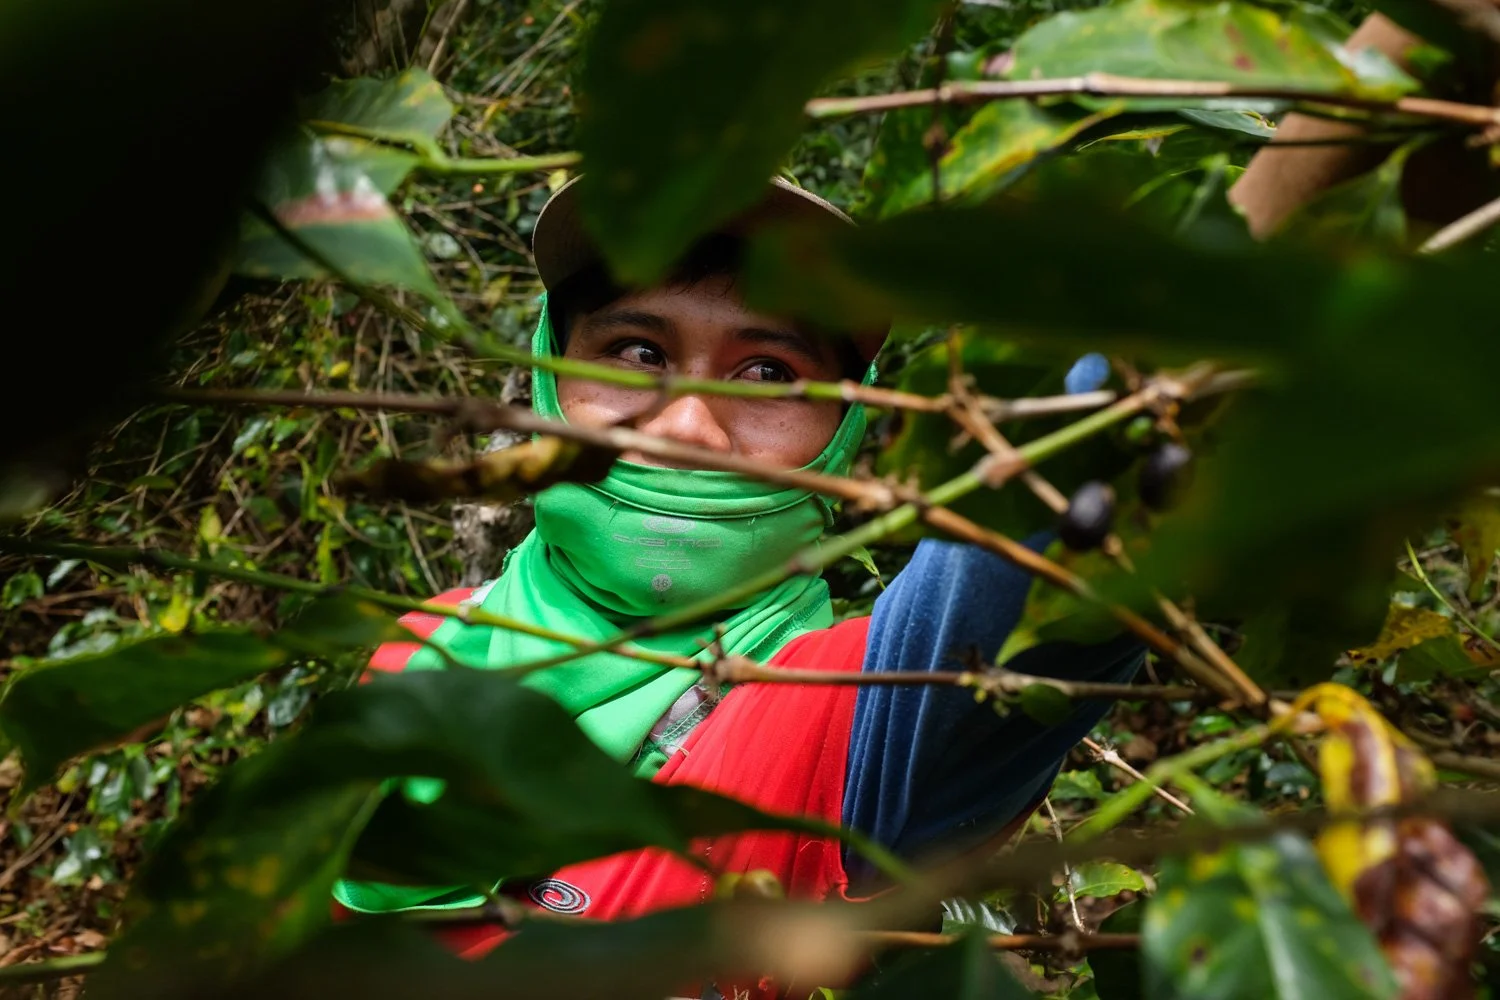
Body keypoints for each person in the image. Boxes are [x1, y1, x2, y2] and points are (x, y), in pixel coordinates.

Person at [333, 176, 1144, 969]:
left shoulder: (852, 711)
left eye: (766, 374)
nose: (688, 425)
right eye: (637, 352)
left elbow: (1083, 478)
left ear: (842, 429)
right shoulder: (430, 642)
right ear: (552, 377)